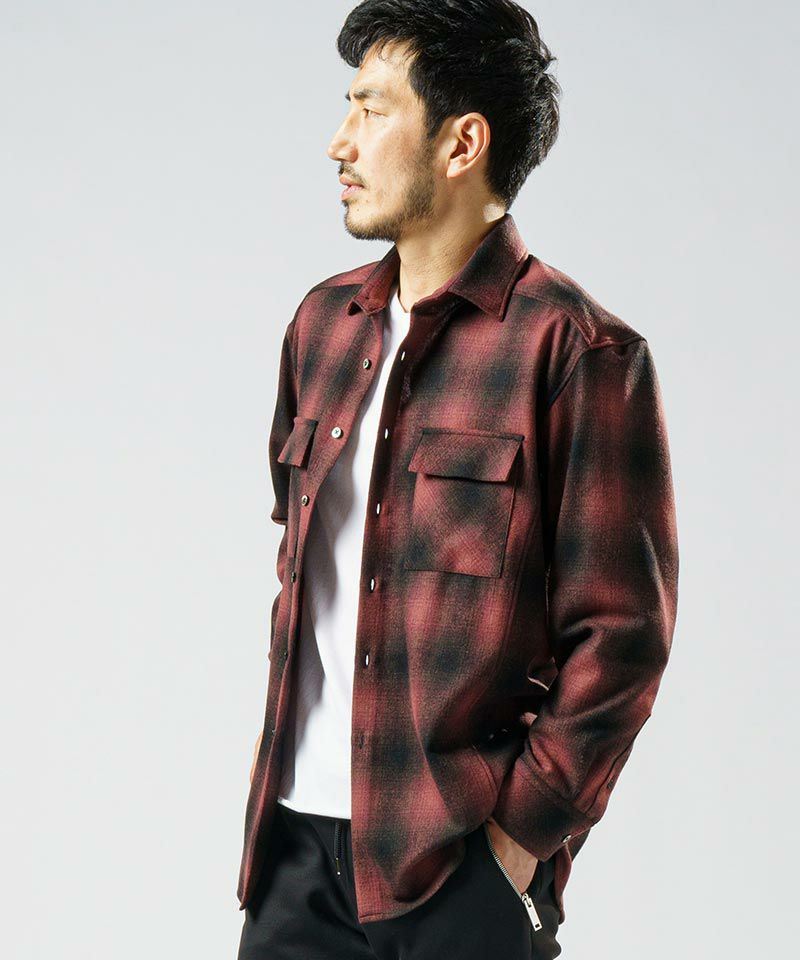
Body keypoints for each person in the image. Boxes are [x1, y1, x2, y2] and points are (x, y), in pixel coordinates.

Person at [236, 2, 679, 957]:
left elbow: (623, 634)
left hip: (457, 866)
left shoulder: (578, 351)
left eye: (371, 109)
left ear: (461, 143)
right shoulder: (321, 329)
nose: (339, 142)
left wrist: (520, 838)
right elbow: (300, 561)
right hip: (295, 856)